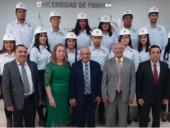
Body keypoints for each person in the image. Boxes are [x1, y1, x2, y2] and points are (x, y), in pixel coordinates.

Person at [2, 44, 40, 127]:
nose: (23, 54)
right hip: (16, 102)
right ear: (14, 54)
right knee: (17, 124)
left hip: (31, 100)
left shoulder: (33, 65)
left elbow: (37, 83)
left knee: (30, 124)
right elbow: (5, 87)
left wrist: (39, 98)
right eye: (20, 52)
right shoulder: (8, 66)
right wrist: (8, 104)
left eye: (25, 52)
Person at [102, 43, 136, 127]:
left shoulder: (130, 63)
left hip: (124, 94)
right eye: (116, 48)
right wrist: (104, 95)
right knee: (110, 118)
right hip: (110, 95)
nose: (118, 50)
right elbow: (104, 81)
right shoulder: (108, 63)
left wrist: (132, 95)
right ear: (113, 50)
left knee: (123, 119)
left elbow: (133, 81)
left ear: (123, 49)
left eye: (120, 48)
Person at [136, 45, 169, 127]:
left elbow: (167, 83)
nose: (155, 54)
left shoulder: (165, 66)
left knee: (156, 119)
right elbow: (138, 83)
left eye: (157, 52)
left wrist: (166, 97)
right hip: (144, 99)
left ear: (160, 54)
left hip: (159, 98)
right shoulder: (142, 66)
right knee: (143, 119)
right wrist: (139, 97)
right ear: (149, 54)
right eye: (153, 52)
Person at [70, 48, 102, 127]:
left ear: (90, 54)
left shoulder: (96, 65)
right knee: (80, 120)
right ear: (80, 55)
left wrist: (99, 95)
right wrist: (72, 97)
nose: (85, 56)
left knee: (91, 120)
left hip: (92, 96)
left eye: (87, 54)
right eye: (83, 54)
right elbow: (72, 83)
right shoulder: (75, 65)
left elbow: (99, 82)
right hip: (79, 97)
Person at [44, 43, 71, 127]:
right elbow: (47, 84)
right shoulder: (50, 66)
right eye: (59, 51)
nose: (61, 53)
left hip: (65, 96)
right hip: (54, 96)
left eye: (63, 51)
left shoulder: (67, 65)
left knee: (64, 118)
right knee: (54, 119)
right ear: (55, 52)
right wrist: (50, 98)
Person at [30, 26, 51, 126]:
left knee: (48, 97)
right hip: (38, 74)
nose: (44, 38)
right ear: (37, 37)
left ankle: (47, 116)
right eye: (41, 36)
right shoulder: (34, 50)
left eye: (45, 36)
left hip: (48, 74)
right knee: (39, 98)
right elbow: (33, 66)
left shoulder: (48, 48)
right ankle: (41, 118)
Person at [89, 28, 109, 124]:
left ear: (102, 39)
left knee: (101, 94)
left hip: (103, 74)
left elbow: (108, 63)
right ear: (92, 39)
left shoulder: (106, 50)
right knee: (91, 94)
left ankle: (101, 116)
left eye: (99, 38)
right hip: (90, 75)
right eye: (95, 38)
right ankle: (90, 115)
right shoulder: (88, 50)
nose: (97, 40)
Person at [0, 33, 16, 127]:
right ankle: (9, 120)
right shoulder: (0, 55)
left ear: (14, 43)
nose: (9, 44)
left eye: (11, 42)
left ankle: (17, 118)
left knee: (17, 100)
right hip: (4, 81)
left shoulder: (17, 54)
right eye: (6, 42)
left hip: (17, 81)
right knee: (7, 102)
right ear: (4, 43)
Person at [160, 32, 170, 122]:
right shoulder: (164, 50)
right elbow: (162, 62)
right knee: (165, 93)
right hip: (166, 73)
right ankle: (163, 112)